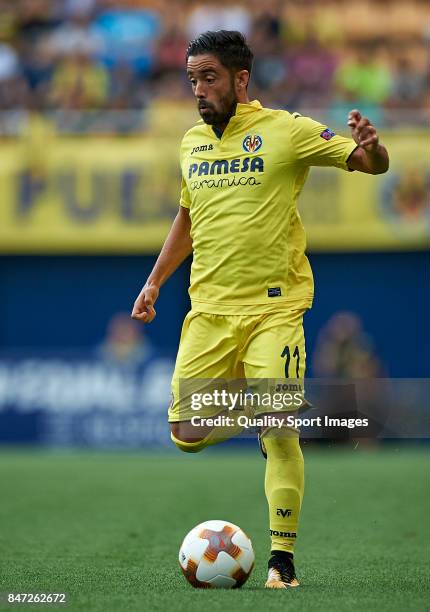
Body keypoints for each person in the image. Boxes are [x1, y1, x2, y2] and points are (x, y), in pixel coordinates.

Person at [131, 30, 389, 589]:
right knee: (185, 430)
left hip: (275, 309)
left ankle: (281, 562)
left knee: (278, 435)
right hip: (210, 310)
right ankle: (273, 406)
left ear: (241, 79)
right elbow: (187, 217)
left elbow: (370, 165)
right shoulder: (191, 142)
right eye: (193, 79)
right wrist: (154, 282)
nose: (199, 90)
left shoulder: (286, 131)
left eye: (210, 78)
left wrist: (372, 148)